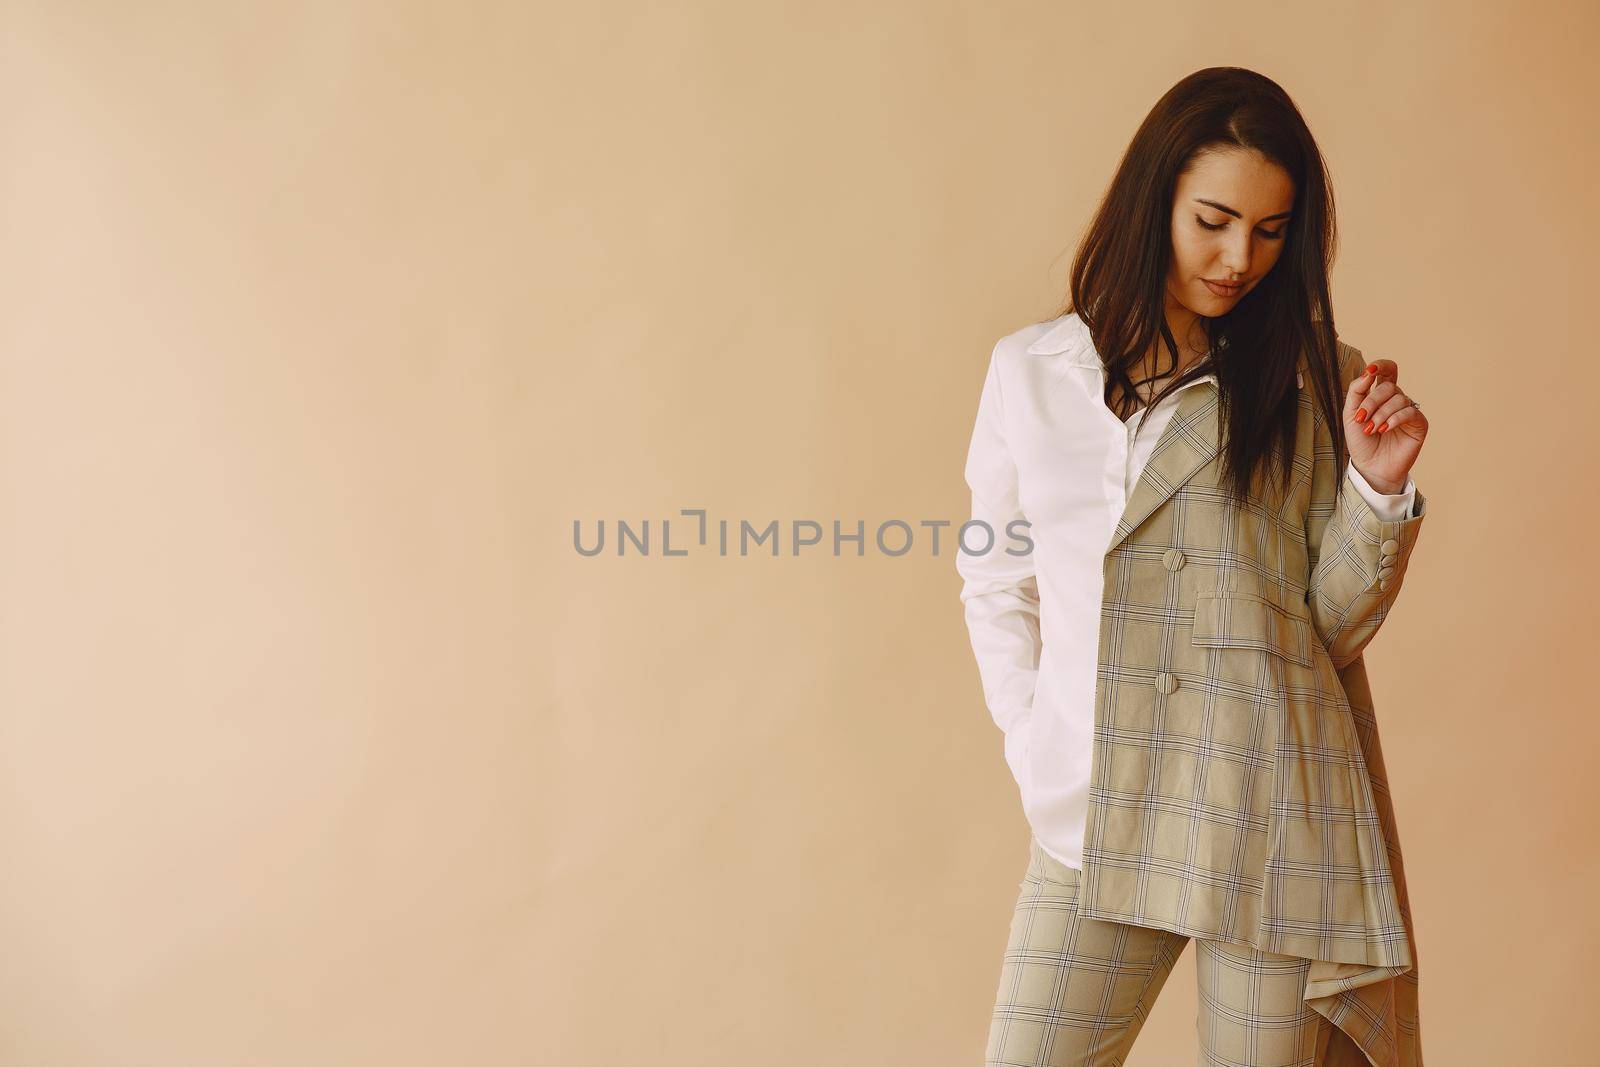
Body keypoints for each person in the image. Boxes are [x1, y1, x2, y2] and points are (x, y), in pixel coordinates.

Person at [956, 67, 1429, 1067]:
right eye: (1213, 219)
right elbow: (997, 574)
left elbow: (1325, 626)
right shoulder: (1032, 372)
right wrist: (1032, 733)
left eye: (1269, 231)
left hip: (1263, 814)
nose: (1236, 258)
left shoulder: (1314, 380)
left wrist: (1377, 490)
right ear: (1154, 198)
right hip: (1093, 800)